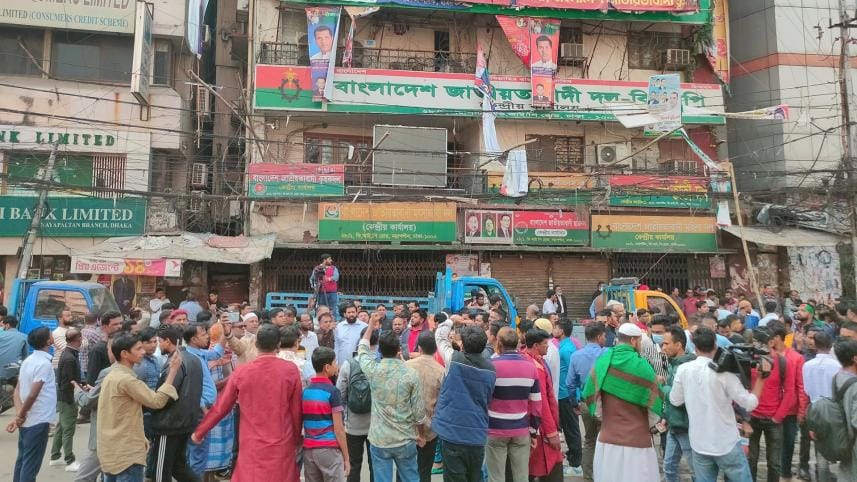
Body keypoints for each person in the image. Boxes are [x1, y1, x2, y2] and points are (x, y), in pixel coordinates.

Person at [192, 324, 304, 481]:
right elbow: (295, 409)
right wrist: (297, 436)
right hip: (281, 439)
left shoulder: (242, 371)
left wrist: (200, 432)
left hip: (251, 442)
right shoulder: (290, 370)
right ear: (278, 345)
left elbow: (221, 407)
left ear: (256, 344)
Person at [669, 327, 768, 481]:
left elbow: (675, 400)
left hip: (699, 443)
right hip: (726, 443)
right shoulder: (724, 374)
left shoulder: (683, 370)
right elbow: (749, 403)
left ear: (694, 347)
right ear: (715, 346)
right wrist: (761, 379)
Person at [581, 323, 662, 482]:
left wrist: (609, 420)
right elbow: (653, 411)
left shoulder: (603, 363)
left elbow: (593, 401)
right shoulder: (643, 367)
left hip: (608, 439)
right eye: (639, 341)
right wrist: (652, 426)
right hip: (638, 441)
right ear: (633, 341)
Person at [97, 332, 182, 481]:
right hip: (127, 453)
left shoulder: (112, 375)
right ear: (124, 354)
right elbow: (156, 401)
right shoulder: (126, 380)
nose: (143, 352)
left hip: (111, 450)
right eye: (138, 349)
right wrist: (173, 370)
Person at [357, 314, 425, 482]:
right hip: (406, 438)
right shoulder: (411, 374)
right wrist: (421, 435)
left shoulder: (373, 370)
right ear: (398, 350)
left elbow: (363, 348)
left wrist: (371, 325)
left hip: (380, 440)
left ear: (379, 350)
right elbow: (418, 412)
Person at [433, 325, 496, 481]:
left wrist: (448, 321)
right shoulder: (491, 369)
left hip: (452, 432)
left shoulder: (453, 359)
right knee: (475, 476)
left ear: (462, 344)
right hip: (477, 433)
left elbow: (440, 336)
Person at [486, 327, 541, 482]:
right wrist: (533, 432)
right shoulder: (531, 367)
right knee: (521, 476)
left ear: (499, 344)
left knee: (496, 477)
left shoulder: (491, 366)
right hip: (521, 429)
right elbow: (536, 405)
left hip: (495, 429)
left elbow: (484, 398)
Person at [748, 321, 801, 482]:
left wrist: (778, 416)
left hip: (773, 418)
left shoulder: (783, 362)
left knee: (774, 463)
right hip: (752, 417)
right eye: (755, 341)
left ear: (771, 342)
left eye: (760, 342)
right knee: (751, 459)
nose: (757, 345)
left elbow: (790, 391)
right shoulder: (749, 360)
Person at [150, 325, 203, 482]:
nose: (159, 345)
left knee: (160, 472)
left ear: (168, 341)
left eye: (160, 341)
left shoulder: (176, 361)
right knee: (178, 467)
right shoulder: (194, 359)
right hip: (185, 421)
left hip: (169, 423)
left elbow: (166, 394)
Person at [8, 327, 57, 482]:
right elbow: (33, 394)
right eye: (51, 334)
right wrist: (21, 415)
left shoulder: (28, 361)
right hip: (38, 419)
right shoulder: (44, 364)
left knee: (23, 460)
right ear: (48, 341)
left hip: (28, 419)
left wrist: (19, 415)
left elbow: (17, 391)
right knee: (30, 464)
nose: (52, 336)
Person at [183, 323, 227, 476]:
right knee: (199, 452)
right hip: (201, 409)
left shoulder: (198, 353)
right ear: (194, 339)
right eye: (203, 334)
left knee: (195, 452)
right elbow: (192, 387)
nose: (207, 336)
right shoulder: (190, 358)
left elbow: (216, 354)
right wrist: (203, 408)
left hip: (203, 407)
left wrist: (225, 335)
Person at [303, 346, 350, 482]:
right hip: (328, 449)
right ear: (327, 367)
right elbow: (339, 429)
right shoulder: (333, 392)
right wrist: (346, 457)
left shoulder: (306, 392)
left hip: (309, 450)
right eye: (335, 363)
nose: (337, 366)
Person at [337, 328, 378, 482]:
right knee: (375, 464)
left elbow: (340, 393)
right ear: (377, 342)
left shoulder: (348, 365)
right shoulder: (379, 363)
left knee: (353, 464)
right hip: (375, 425)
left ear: (360, 340)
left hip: (352, 424)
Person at [566, 323, 606, 482]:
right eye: (604, 336)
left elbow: (570, 383)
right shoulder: (608, 353)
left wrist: (574, 403)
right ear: (598, 337)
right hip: (605, 403)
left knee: (589, 441)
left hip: (585, 402)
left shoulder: (576, 356)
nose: (605, 338)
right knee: (605, 441)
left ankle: (588, 477)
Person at [523, 329, 563, 481]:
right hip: (540, 427)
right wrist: (552, 432)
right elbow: (542, 403)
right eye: (545, 343)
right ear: (535, 345)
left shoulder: (530, 359)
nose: (548, 346)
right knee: (545, 465)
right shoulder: (535, 366)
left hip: (534, 425)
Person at [405, 332, 445, 482]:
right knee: (425, 470)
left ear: (419, 348)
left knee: (405, 469)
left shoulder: (406, 366)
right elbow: (442, 403)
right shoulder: (441, 371)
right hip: (430, 429)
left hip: (406, 427)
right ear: (436, 349)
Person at [659, 326, 696, 482]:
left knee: (696, 469)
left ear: (679, 345)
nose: (663, 348)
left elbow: (678, 398)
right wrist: (665, 417)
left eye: (667, 344)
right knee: (668, 466)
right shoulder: (674, 363)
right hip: (674, 424)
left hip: (685, 425)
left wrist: (663, 385)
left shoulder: (685, 367)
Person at [802, 331, 839, 481]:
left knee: (820, 449)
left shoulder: (807, 365)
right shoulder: (837, 365)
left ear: (815, 345)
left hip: (815, 409)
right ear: (831, 346)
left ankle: (822, 477)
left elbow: (806, 390)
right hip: (833, 409)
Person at [50, 327, 82, 472]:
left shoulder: (68, 354)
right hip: (67, 398)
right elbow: (68, 382)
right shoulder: (70, 357)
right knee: (68, 428)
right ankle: (70, 460)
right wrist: (72, 400)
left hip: (64, 397)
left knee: (61, 427)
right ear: (78, 340)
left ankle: (55, 456)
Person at [553, 319, 581, 476]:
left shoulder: (567, 349)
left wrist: (574, 398)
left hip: (566, 395)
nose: (554, 329)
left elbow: (574, 374)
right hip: (561, 394)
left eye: (556, 327)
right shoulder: (563, 346)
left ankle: (576, 463)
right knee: (567, 429)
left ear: (562, 331)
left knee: (572, 430)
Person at [85, 312, 123, 387]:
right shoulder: (97, 350)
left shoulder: (123, 345)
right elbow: (91, 380)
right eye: (115, 324)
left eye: (121, 323)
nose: (119, 326)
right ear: (104, 327)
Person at [0, 315, 28, 390]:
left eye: (3, 325)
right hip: (13, 371)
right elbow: (25, 357)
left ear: (8, 325)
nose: (2, 328)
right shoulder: (24, 337)